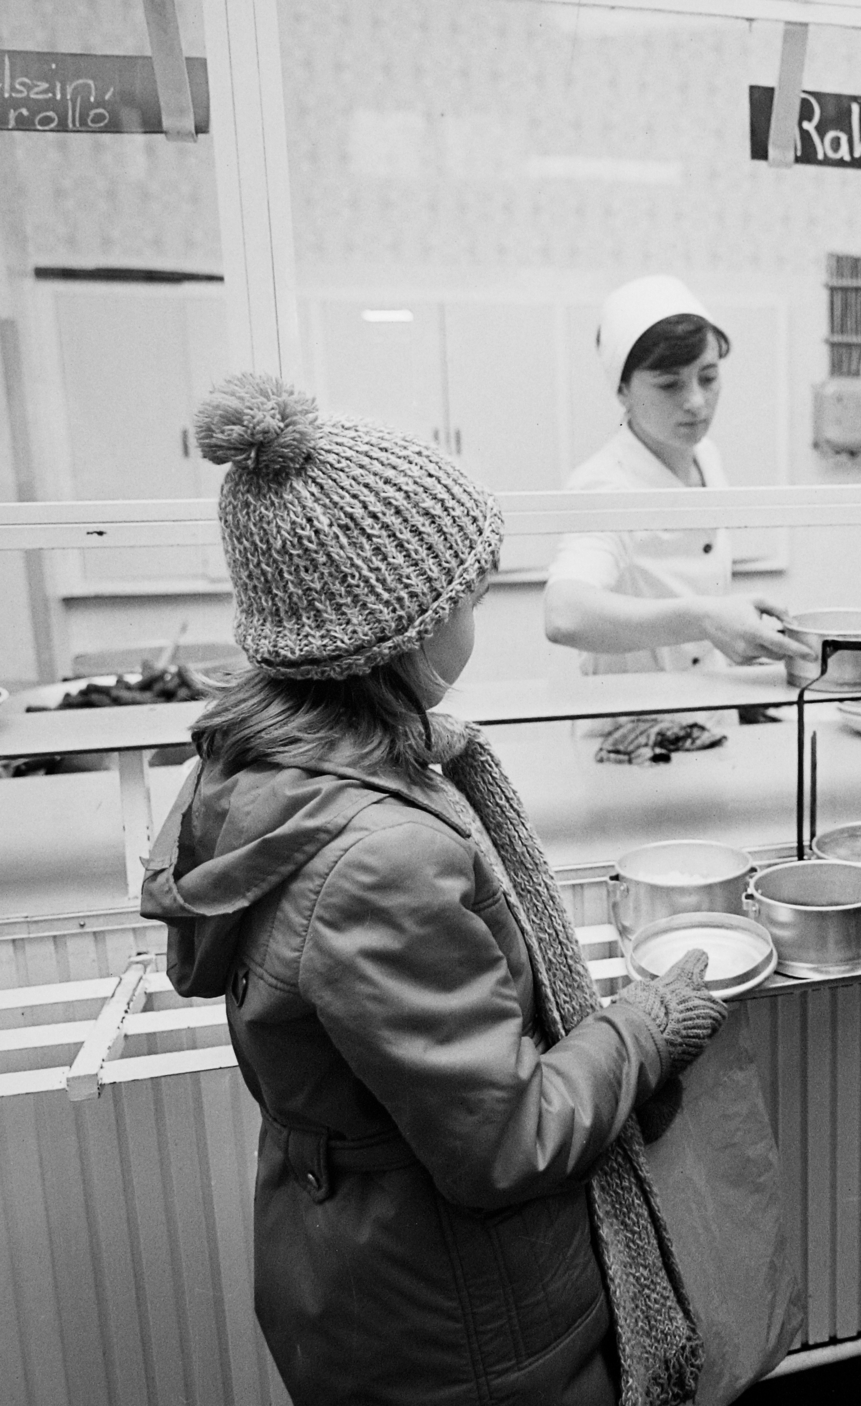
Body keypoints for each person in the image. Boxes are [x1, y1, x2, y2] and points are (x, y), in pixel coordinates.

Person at [140, 373, 727, 1406]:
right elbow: (505, 1139)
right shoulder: (380, 857)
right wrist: (647, 1021)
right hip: (469, 1336)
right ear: (405, 625)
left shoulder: (264, 774)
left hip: (357, 1280)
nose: (483, 606)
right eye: (473, 587)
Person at [543, 275, 811, 676]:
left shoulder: (704, 455)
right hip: (632, 723)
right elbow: (564, 614)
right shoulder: (605, 483)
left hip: (709, 710)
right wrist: (704, 619)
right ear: (622, 391)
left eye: (708, 377)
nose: (696, 402)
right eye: (669, 384)